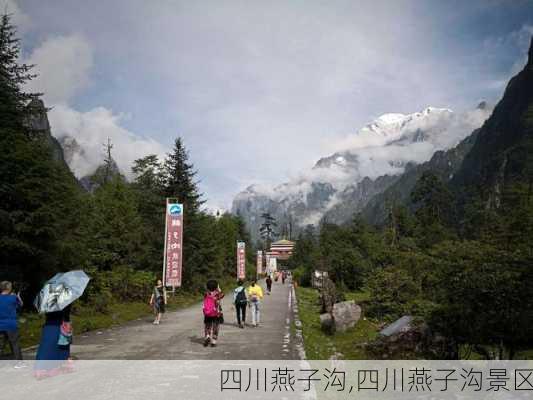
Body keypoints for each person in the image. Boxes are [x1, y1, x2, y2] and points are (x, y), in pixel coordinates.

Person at [34, 305, 73, 378]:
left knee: (46, 346)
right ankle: (59, 366)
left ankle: (42, 368)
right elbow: (66, 312)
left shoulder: (47, 298)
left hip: (49, 324)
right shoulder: (64, 298)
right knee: (62, 345)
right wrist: (67, 321)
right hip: (60, 324)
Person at [0, 281, 24, 368]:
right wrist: (18, 297)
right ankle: (19, 363)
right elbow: (21, 305)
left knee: (1, 345)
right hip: (11, 325)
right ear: (8, 288)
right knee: (15, 344)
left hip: (0, 325)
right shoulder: (13, 297)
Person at [203, 279, 224, 347]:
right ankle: (214, 341)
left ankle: (207, 336)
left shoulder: (206, 294)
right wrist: (219, 289)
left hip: (207, 313)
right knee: (216, 327)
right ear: (216, 287)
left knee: (207, 326)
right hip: (216, 313)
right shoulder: (217, 294)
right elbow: (223, 295)